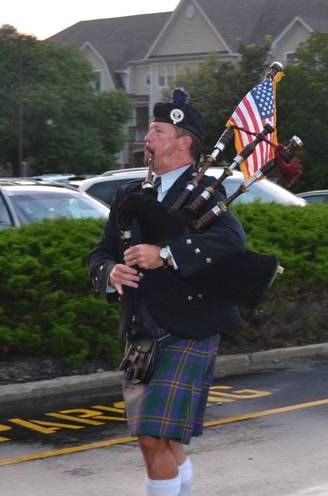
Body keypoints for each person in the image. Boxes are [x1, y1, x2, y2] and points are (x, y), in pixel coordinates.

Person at [86, 91, 246, 496]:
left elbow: (231, 241)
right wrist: (110, 272)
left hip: (189, 326)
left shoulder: (208, 191)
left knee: (152, 435)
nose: (148, 138)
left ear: (183, 141)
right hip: (141, 329)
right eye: (150, 131)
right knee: (159, 440)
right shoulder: (129, 195)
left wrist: (167, 255)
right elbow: (100, 252)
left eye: (158, 131)